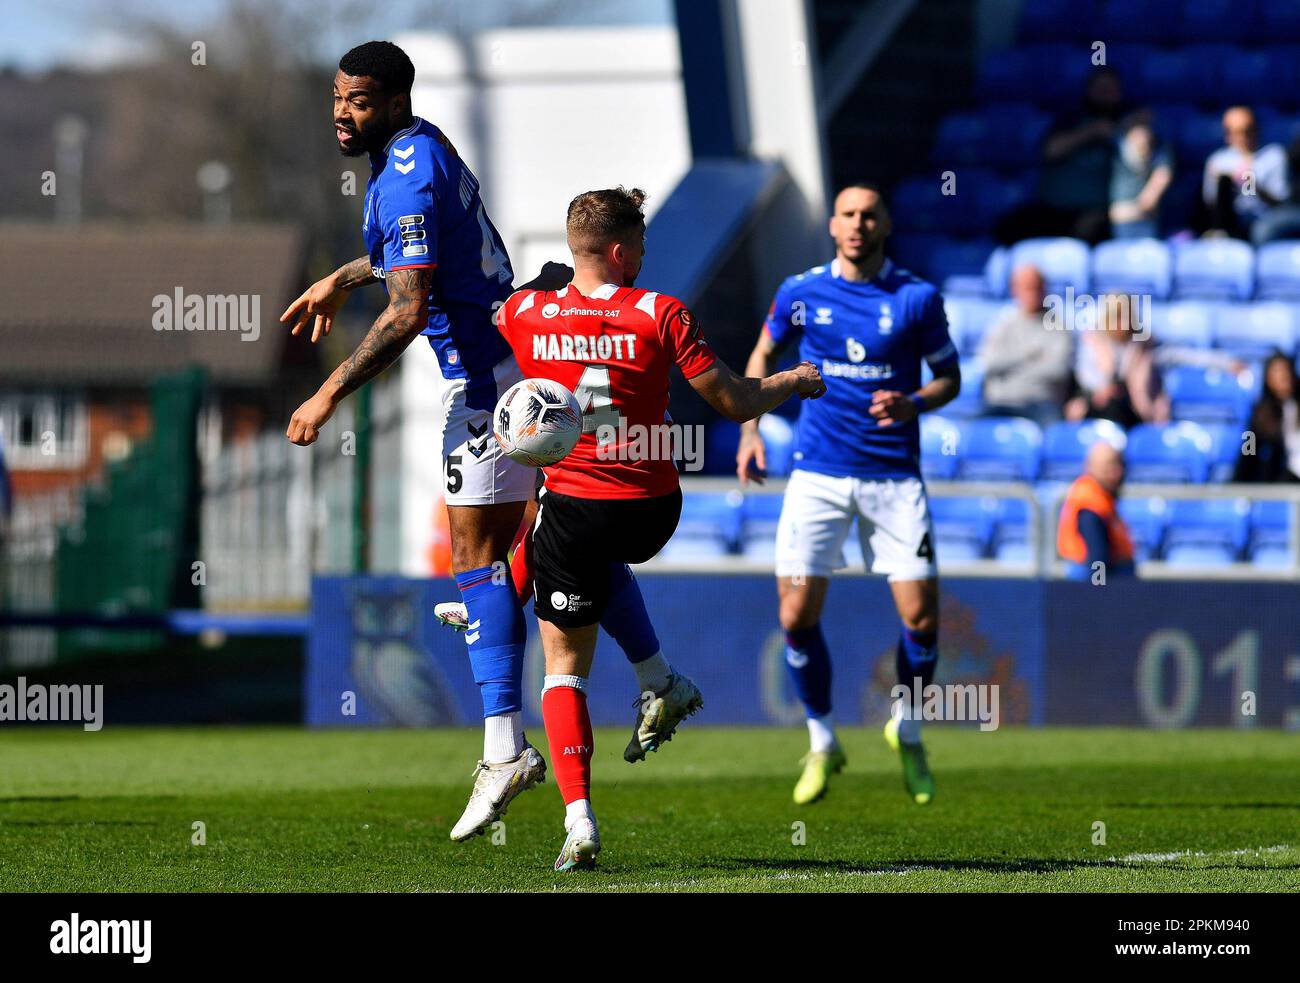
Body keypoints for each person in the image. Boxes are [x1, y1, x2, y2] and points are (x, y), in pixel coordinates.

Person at [495, 186, 825, 870]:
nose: (644, 256)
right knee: (590, 552)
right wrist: (794, 378)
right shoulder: (661, 312)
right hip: (653, 507)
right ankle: (659, 680)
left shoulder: (525, 312)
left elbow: (482, 317)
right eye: (640, 246)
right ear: (621, 252)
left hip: (578, 505)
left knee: (563, 665)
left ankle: (579, 818)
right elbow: (734, 400)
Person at [280, 41, 552, 842]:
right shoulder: (416, 146)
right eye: (337, 96)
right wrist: (342, 275)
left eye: (359, 100)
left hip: (487, 384)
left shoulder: (404, 167)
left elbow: (407, 309)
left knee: (478, 563)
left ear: (394, 101)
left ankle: (504, 750)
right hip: (509, 364)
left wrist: (328, 391)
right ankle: (649, 676)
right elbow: (411, 257)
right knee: (508, 565)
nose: (341, 111)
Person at [736, 182, 961, 807]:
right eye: (847, 215)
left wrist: (913, 400)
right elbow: (760, 352)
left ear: (885, 222)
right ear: (832, 226)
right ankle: (822, 739)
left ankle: (907, 729)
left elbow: (951, 378)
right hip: (819, 474)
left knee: (921, 618)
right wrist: (751, 429)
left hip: (894, 477)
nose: (858, 224)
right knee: (795, 615)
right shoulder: (801, 292)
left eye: (869, 214)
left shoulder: (917, 298)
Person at [996, 67, 1131, 245]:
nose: (1105, 94)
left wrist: (1101, 214)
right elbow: (1050, 151)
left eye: (1110, 89)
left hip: (1100, 213)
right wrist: (1092, 132)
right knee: (1010, 226)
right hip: (1053, 210)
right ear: (1088, 91)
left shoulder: (1132, 125)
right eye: (1100, 88)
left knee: (1097, 234)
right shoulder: (1070, 120)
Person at [979, 263, 1074, 424]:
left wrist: (1009, 371)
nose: (1033, 293)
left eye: (1036, 287)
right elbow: (988, 364)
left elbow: (1057, 370)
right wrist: (1030, 356)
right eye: (1027, 288)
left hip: (1041, 405)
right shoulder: (1004, 324)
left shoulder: (1058, 327)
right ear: (1014, 290)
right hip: (1000, 403)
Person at [1203, 106, 1289, 240]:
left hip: (1264, 219)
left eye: (1247, 131)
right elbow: (1210, 202)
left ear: (1257, 129)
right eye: (1235, 132)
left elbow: (1279, 202)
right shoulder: (1218, 161)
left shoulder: (1274, 155)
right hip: (1231, 221)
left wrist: (1251, 183)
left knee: (1262, 231)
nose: (1242, 137)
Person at [1057, 441, 1134, 580]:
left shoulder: (1101, 495)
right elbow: (1098, 557)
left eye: (1117, 465)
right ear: (1091, 468)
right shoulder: (1090, 505)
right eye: (1108, 468)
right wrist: (1100, 590)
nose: (1115, 473)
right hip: (1090, 579)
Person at [1235, 352, 1300, 482]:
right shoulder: (1260, 413)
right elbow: (1249, 451)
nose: (1283, 376)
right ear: (1268, 378)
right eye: (1276, 371)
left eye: (1285, 370)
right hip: (1282, 480)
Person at [1109, 118, 1173, 239]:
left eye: (1145, 132)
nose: (1142, 138)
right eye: (1136, 133)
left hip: (1146, 226)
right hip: (1121, 227)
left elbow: (1148, 202)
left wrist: (1123, 211)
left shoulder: (1161, 154)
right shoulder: (1117, 152)